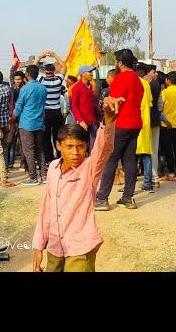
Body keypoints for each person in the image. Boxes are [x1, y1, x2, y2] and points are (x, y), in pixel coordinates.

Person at [32, 96, 121, 272]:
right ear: (58, 146)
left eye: (80, 147)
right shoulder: (53, 168)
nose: (75, 153)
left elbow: (104, 149)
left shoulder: (90, 168)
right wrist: (38, 246)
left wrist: (109, 119)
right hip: (55, 245)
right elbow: (46, 208)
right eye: (69, 146)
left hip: (80, 247)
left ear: (86, 147)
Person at [94, 49, 144, 211]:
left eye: (116, 60)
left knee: (111, 160)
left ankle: (102, 198)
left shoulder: (121, 78)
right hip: (135, 123)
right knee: (129, 160)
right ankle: (127, 197)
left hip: (120, 123)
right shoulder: (137, 79)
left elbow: (112, 104)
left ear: (120, 63)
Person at [14, 64, 48, 186]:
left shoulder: (25, 88)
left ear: (27, 75)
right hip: (39, 121)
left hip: (27, 122)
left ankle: (33, 177)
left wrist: (13, 116)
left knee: (29, 151)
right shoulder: (43, 88)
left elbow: (19, 105)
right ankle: (44, 175)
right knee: (39, 149)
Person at [36, 50, 67, 161]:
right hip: (57, 112)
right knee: (57, 136)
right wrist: (54, 55)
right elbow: (64, 66)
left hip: (45, 112)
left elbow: (33, 68)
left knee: (46, 137)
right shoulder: (59, 80)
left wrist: (40, 56)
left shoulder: (41, 80)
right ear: (54, 71)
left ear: (45, 72)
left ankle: (49, 159)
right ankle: (59, 157)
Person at [159, 71, 176, 180]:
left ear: (168, 80)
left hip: (166, 124)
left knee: (168, 149)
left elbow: (160, 108)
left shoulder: (165, 92)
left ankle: (171, 170)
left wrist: (166, 121)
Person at [70, 65, 99, 152]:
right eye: (89, 72)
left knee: (93, 145)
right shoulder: (76, 88)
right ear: (82, 74)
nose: (91, 74)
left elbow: (92, 103)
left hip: (92, 120)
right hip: (83, 122)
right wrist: (80, 120)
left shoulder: (90, 87)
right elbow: (74, 106)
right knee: (81, 145)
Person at [135, 63, 154, 190]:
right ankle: (147, 183)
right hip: (145, 122)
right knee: (146, 154)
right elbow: (150, 103)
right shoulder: (146, 84)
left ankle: (129, 183)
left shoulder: (132, 82)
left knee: (130, 155)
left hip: (134, 122)